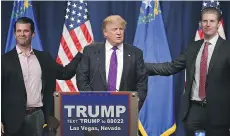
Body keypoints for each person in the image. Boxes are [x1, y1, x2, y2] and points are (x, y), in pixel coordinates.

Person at [145, 7, 230, 136]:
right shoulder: (193, 47)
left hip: (219, 113)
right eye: (204, 21)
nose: (208, 24)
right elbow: (170, 67)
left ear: (219, 24)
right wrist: (139, 66)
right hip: (193, 112)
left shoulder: (227, 49)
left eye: (212, 21)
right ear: (200, 23)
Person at [1, 17, 82, 136]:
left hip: (38, 117)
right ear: (14, 34)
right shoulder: (3, 60)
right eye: (19, 31)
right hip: (11, 121)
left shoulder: (44, 58)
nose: (22, 34)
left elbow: (65, 73)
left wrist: (80, 54)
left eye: (26, 31)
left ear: (33, 34)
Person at [76, 15, 148, 109]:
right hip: (95, 107)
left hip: (125, 109)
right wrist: (91, 101)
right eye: (114, 29)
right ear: (105, 33)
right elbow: (82, 78)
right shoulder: (90, 51)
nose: (119, 33)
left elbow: (141, 82)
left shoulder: (135, 53)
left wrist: (135, 105)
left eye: (121, 29)